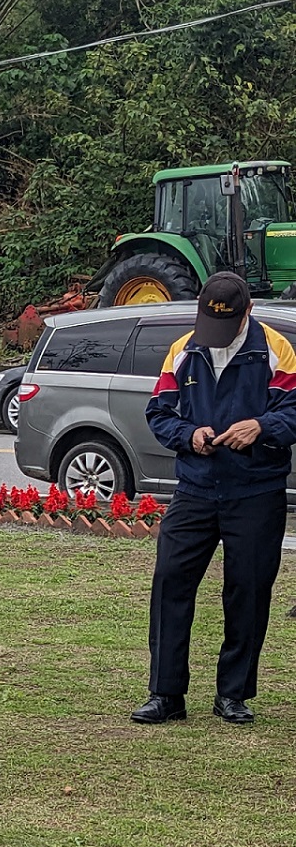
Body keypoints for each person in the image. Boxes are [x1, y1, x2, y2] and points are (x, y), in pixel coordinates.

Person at [133, 272, 296, 725]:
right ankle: (166, 693)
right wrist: (189, 435)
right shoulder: (184, 349)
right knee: (170, 580)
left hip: (255, 490)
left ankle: (233, 694)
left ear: (250, 311)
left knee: (248, 589)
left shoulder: (277, 350)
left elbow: (293, 410)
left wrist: (261, 427)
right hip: (196, 487)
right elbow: (159, 412)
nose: (216, 334)